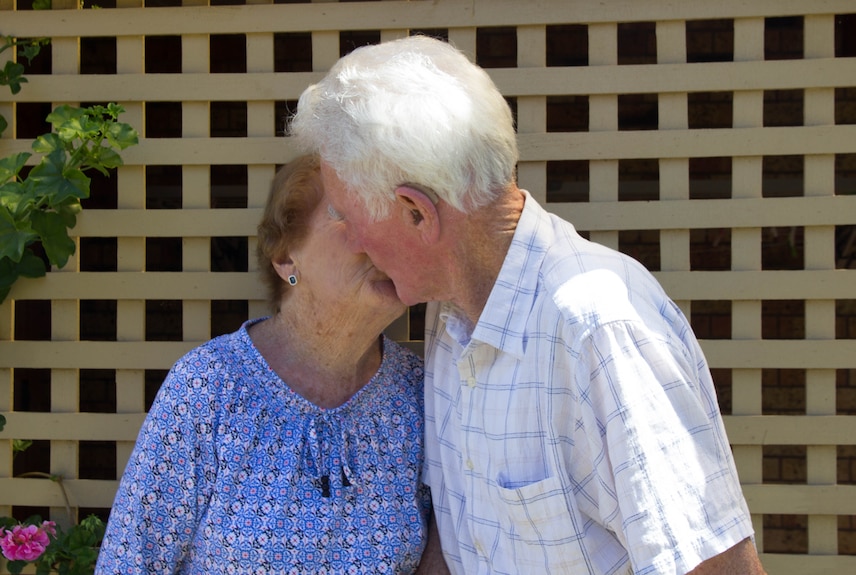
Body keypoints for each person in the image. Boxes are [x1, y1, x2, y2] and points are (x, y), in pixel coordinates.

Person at [290, 35, 768, 575]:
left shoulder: (599, 327)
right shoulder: (449, 316)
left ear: (416, 213)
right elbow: (464, 544)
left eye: (349, 217)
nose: (352, 240)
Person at [96, 154, 445, 574]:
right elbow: (131, 560)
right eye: (349, 217)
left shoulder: (421, 394)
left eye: (393, 223)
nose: (381, 240)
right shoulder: (208, 387)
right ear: (285, 258)